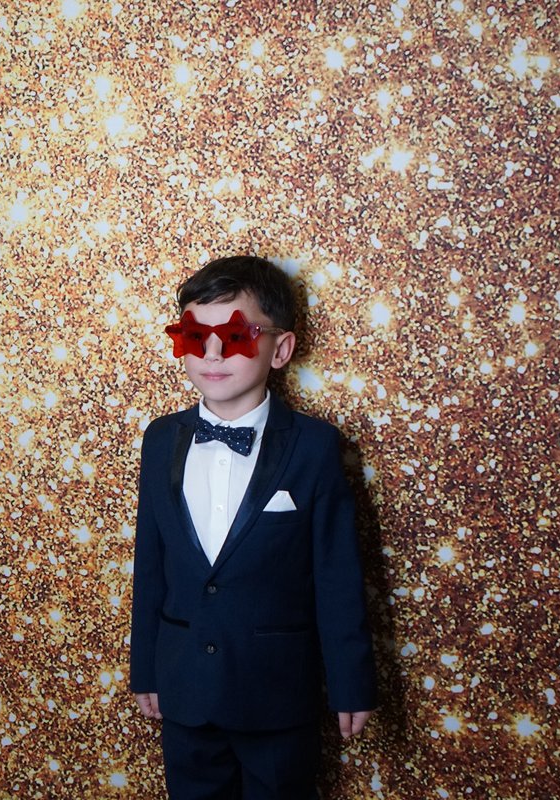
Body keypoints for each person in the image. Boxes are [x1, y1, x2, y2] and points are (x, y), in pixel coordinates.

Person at [130, 255, 378, 800]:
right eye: (196, 336)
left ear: (281, 349)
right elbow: (150, 564)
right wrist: (145, 668)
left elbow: (336, 575)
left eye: (236, 336)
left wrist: (350, 680)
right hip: (184, 687)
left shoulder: (314, 447)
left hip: (276, 693)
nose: (212, 354)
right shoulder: (159, 439)